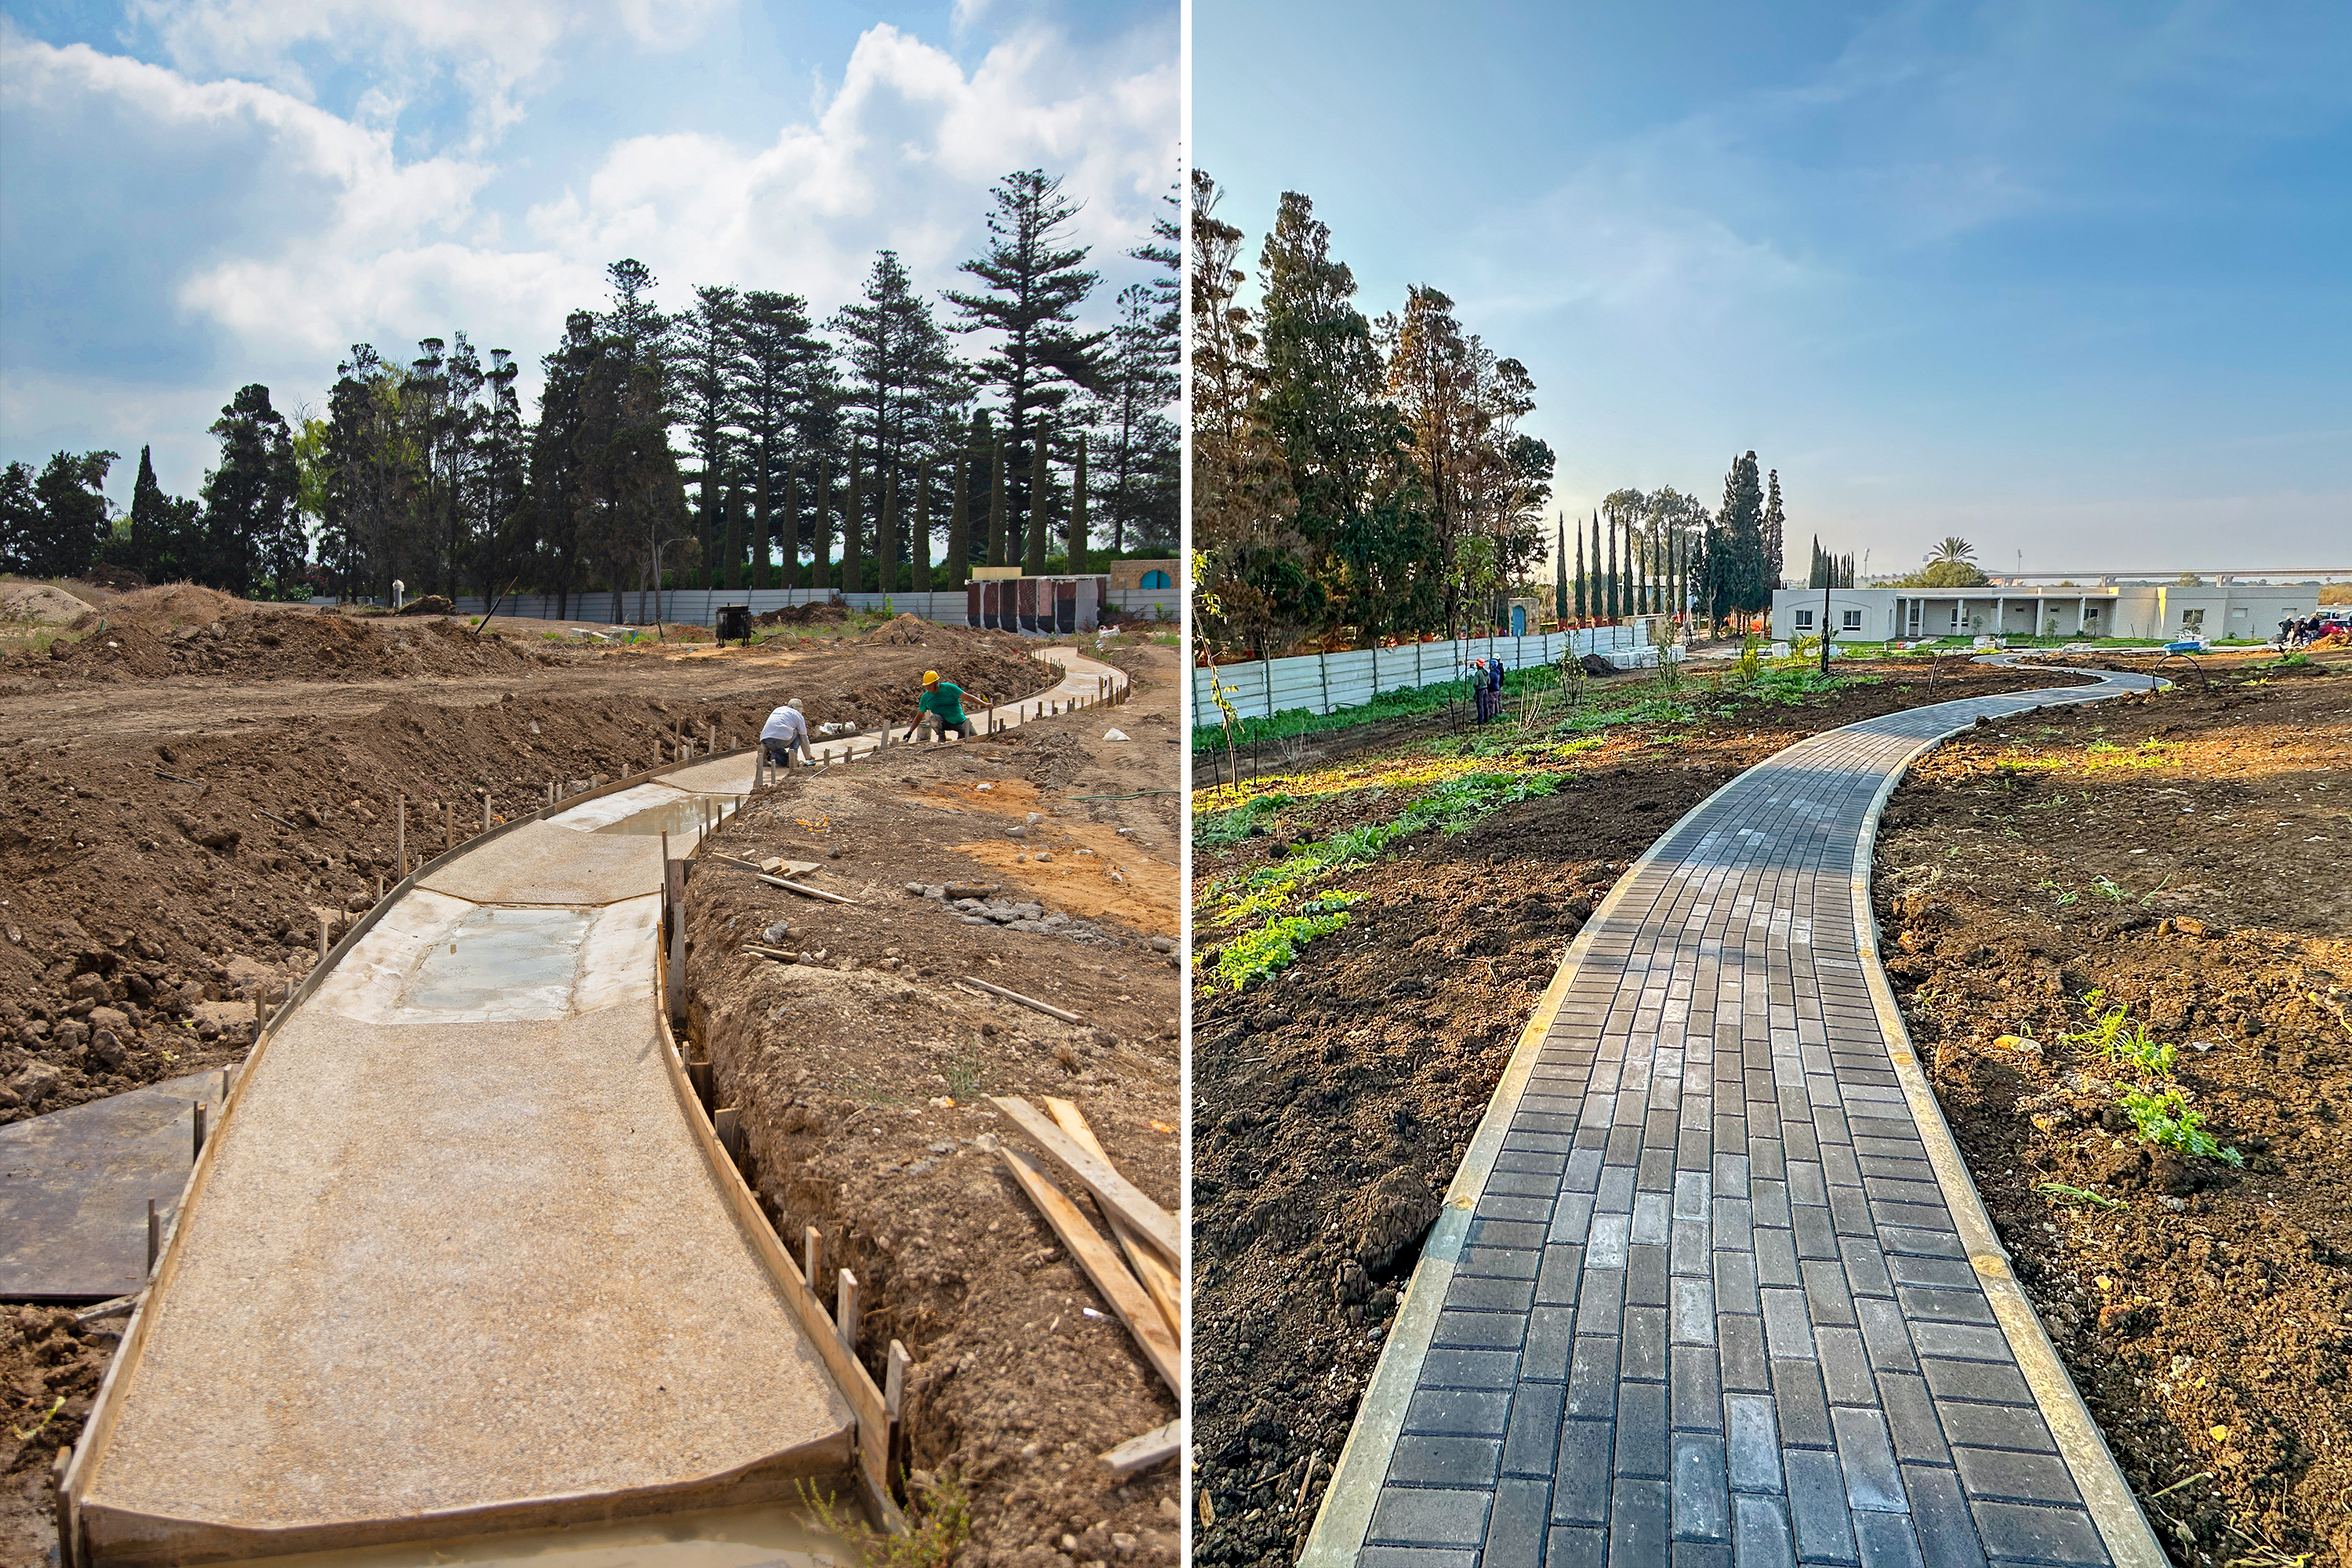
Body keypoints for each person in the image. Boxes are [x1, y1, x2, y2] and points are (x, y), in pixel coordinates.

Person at [907, 670, 979, 742]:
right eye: (926, 685)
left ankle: (961, 734)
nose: (928, 687)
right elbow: (919, 716)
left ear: (936, 682)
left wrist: (985, 704)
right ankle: (941, 737)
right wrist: (910, 732)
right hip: (943, 723)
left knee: (974, 738)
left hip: (959, 721)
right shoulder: (926, 697)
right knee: (934, 718)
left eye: (930, 685)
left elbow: (968, 697)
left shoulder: (949, 688)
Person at [760, 698, 811, 768]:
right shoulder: (798, 715)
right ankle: (792, 759)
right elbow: (804, 737)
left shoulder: (778, 709)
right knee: (798, 732)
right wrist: (808, 756)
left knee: (780, 753)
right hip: (780, 741)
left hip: (765, 740)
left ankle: (765, 757)